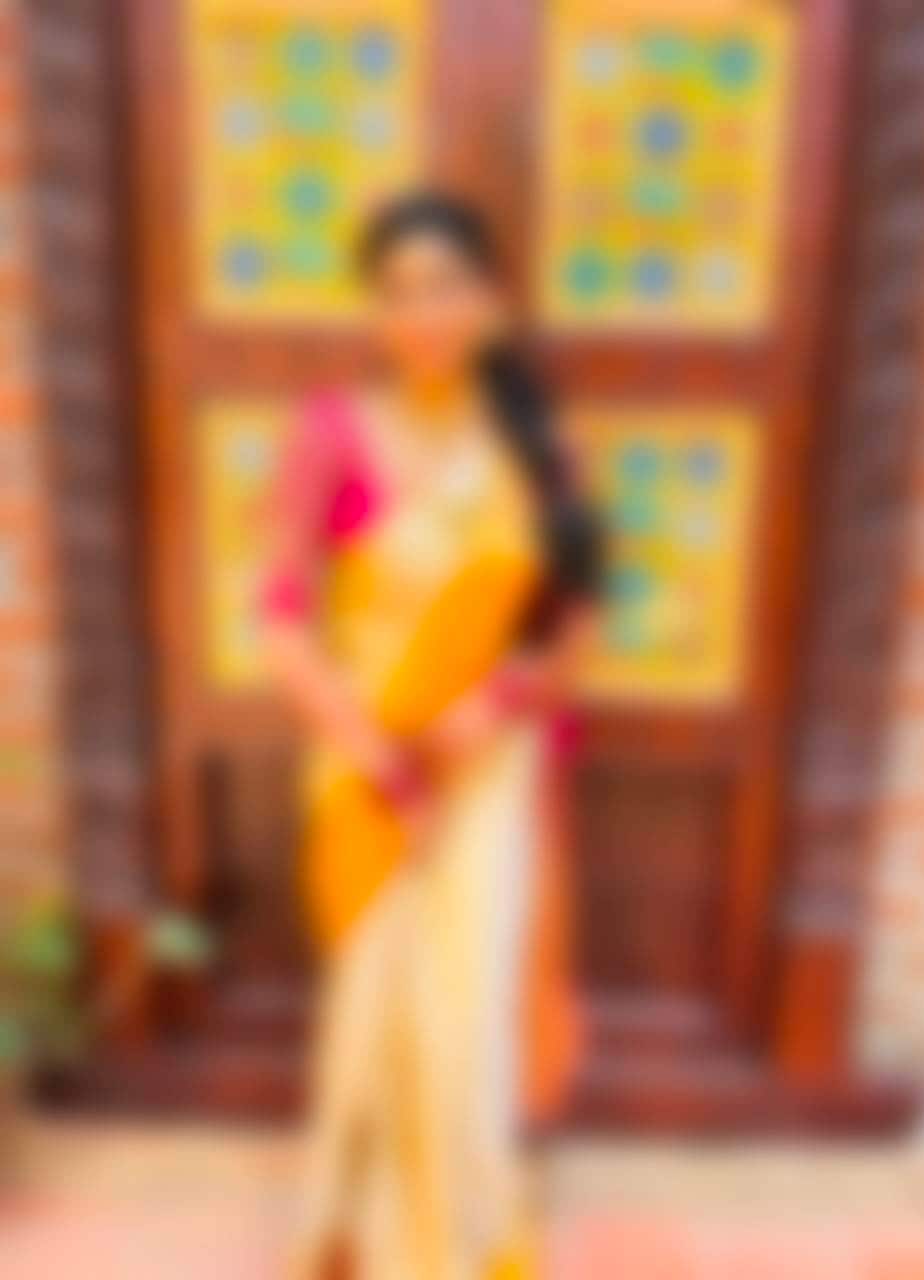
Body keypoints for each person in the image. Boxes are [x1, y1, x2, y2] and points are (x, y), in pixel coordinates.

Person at [260, 192, 600, 1280]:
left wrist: (493, 707)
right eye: (399, 290)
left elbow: (576, 631)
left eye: (447, 284)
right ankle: (354, 1231)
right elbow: (280, 617)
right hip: (365, 764)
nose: (424, 312)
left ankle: (457, 1239)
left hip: (484, 767)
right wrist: (368, 747)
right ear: (375, 310)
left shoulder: (541, 450)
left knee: (463, 1011)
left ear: (491, 299)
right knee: (371, 1009)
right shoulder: (331, 432)